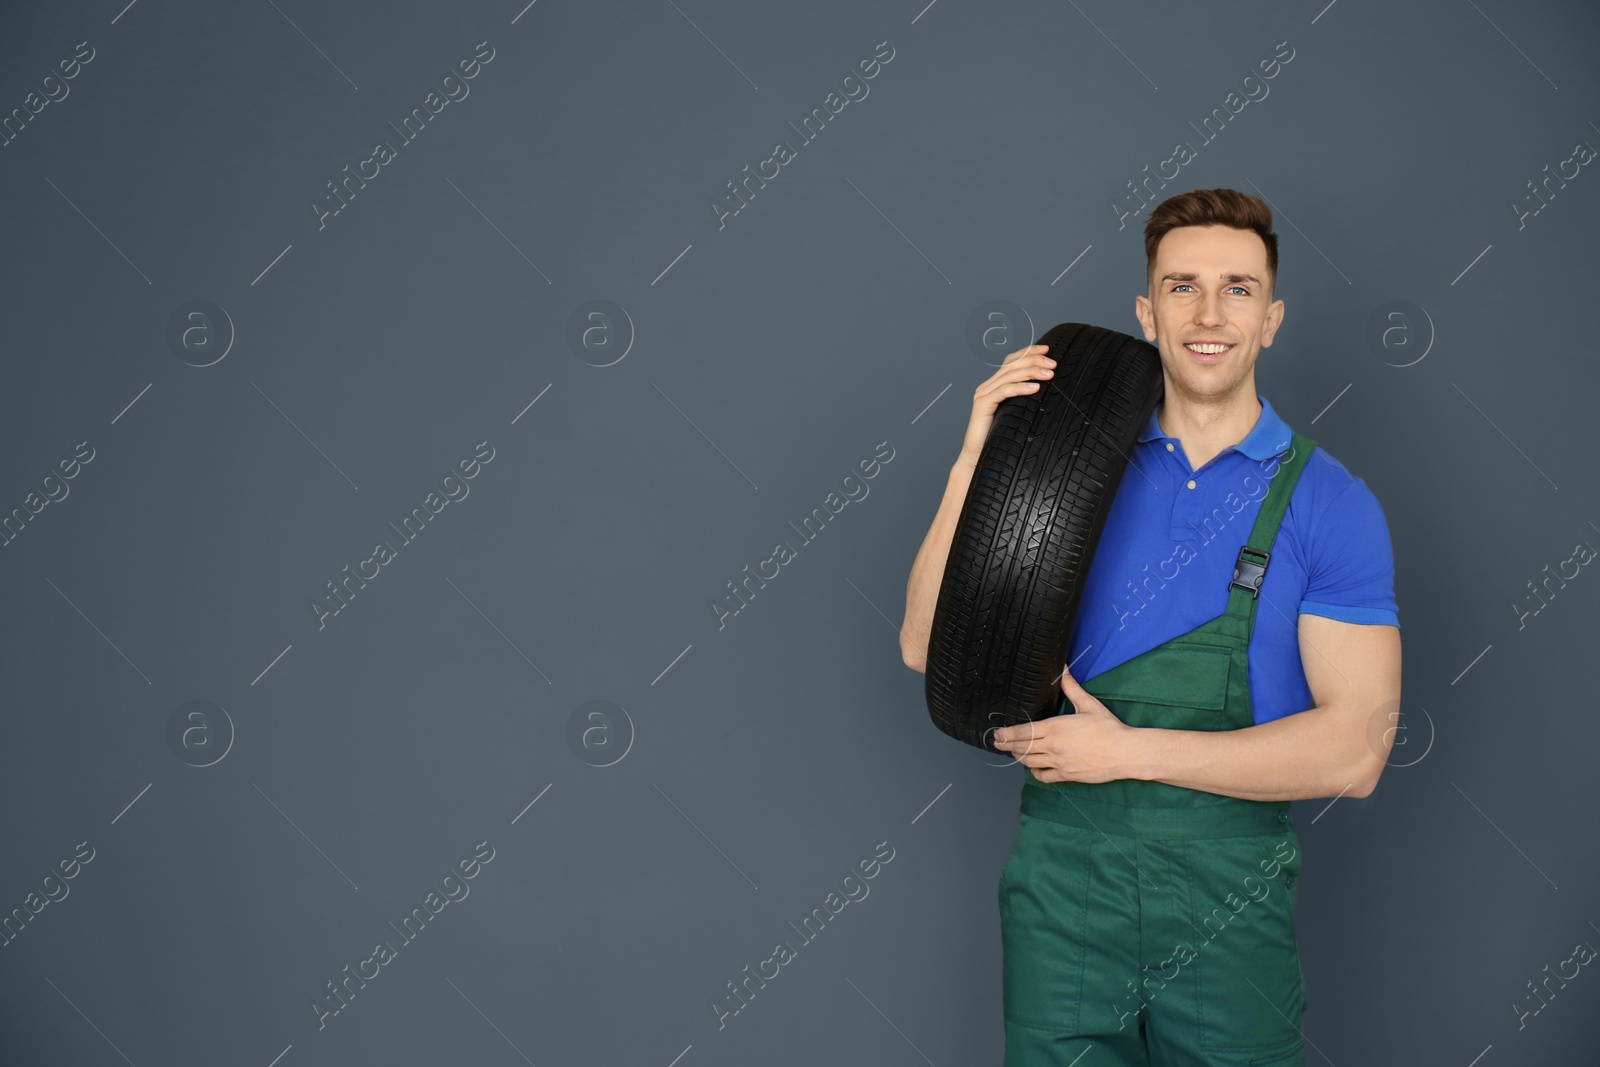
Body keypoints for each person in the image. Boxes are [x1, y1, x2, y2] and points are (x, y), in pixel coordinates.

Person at [898, 187, 1403, 1065]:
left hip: (1227, 899)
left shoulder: (1330, 503)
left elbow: (1356, 755)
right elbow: (921, 644)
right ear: (1147, 311)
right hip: (1063, 890)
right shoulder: (1064, 474)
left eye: (1238, 289)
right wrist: (981, 453)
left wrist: (1131, 753)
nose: (1210, 314)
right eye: (1182, 286)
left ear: (1273, 317)